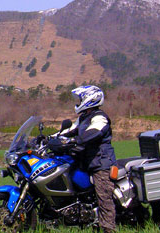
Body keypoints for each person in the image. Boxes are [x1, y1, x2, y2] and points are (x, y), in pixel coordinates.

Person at [57, 85, 117, 233]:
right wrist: (49, 138)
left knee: (104, 197)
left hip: (101, 163)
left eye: (80, 99)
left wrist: (76, 140)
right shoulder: (84, 117)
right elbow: (69, 131)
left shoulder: (99, 117)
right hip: (87, 162)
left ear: (90, 99)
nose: (77, 102)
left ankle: (108, 229)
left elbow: (94, 132)